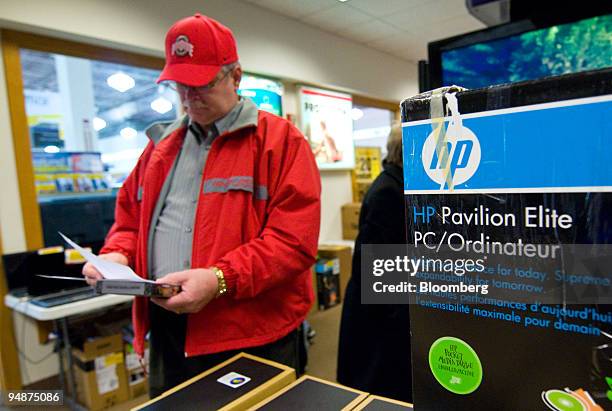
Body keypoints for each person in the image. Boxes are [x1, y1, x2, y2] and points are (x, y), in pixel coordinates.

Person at [83, 13, 321, 396]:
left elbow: (293, 244)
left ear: (236, 76)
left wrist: (220, 279)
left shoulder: (281, 143)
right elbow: (129, 221)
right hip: (169, 332)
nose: (190, 96)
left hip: (248, 335)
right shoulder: (158, 148)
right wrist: (116, 257)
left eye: (202, 84)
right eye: (180, 85)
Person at [336, 124, 412, 402]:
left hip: (379, 308)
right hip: (379, 318)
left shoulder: (393, 183)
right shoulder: (389, 192)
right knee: (380, 389)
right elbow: (380, 272)